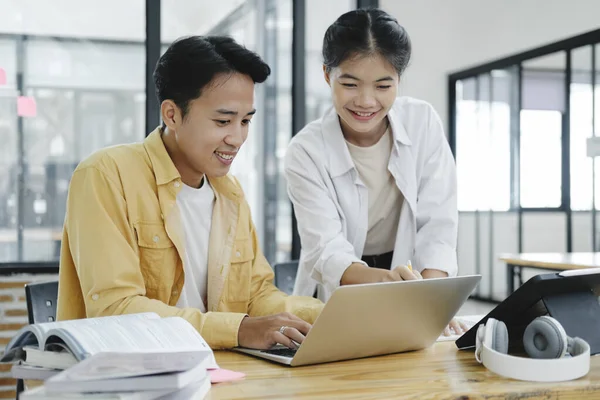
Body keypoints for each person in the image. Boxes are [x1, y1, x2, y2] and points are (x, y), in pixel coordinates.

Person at [57, 35, 323, 350]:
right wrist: (239, 330)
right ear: (172, 115)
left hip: (216, 373)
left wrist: (330, 314)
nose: (237, 138)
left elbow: (257, 296)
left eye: (246, 121)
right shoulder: (105, 175)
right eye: (224, 121)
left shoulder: (230, 194)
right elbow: (116, 310)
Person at [284, 9, 465, 336]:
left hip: (407, 276)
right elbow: (327, 249)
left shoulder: (422, 122)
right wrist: (393, 286)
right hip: (343, 281)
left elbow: (437, 224)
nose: (366, 101)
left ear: (399, 79)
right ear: (327, 75)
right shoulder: (306, 150)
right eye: (350, 84)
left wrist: (431, 299)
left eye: (383, 85)